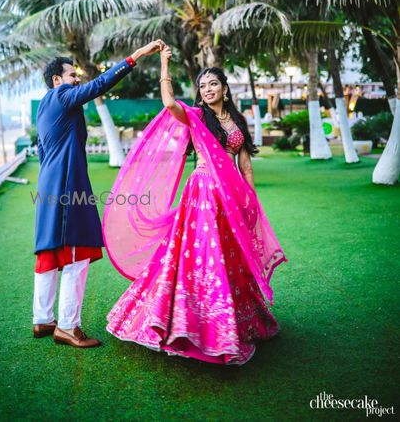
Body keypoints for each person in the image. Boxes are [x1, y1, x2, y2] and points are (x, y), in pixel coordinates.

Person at [103, 45, 288, 365]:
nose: (208, 89)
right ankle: (190, 322)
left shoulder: (238, 122)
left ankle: (231, 319)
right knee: (201, 253)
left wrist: (251, 200)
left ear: (225, 88)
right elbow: (169, 104)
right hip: (203, 191)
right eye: (203, 87)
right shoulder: (198, 116)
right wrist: (164, 65)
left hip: (229, 196)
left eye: (213, 84)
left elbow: (245, 166)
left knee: (229, 254)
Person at [32, 40, 164, 348]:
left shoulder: (44, 107)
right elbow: (100, 85)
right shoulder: (63, 96)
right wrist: (134, 57)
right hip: (67, 185)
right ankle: (67, 326)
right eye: (71, 75)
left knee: (49, 253)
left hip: (49, 184)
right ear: (56, 81)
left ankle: (42, 319)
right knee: (75, 255)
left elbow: (41, 150)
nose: (76, 79)